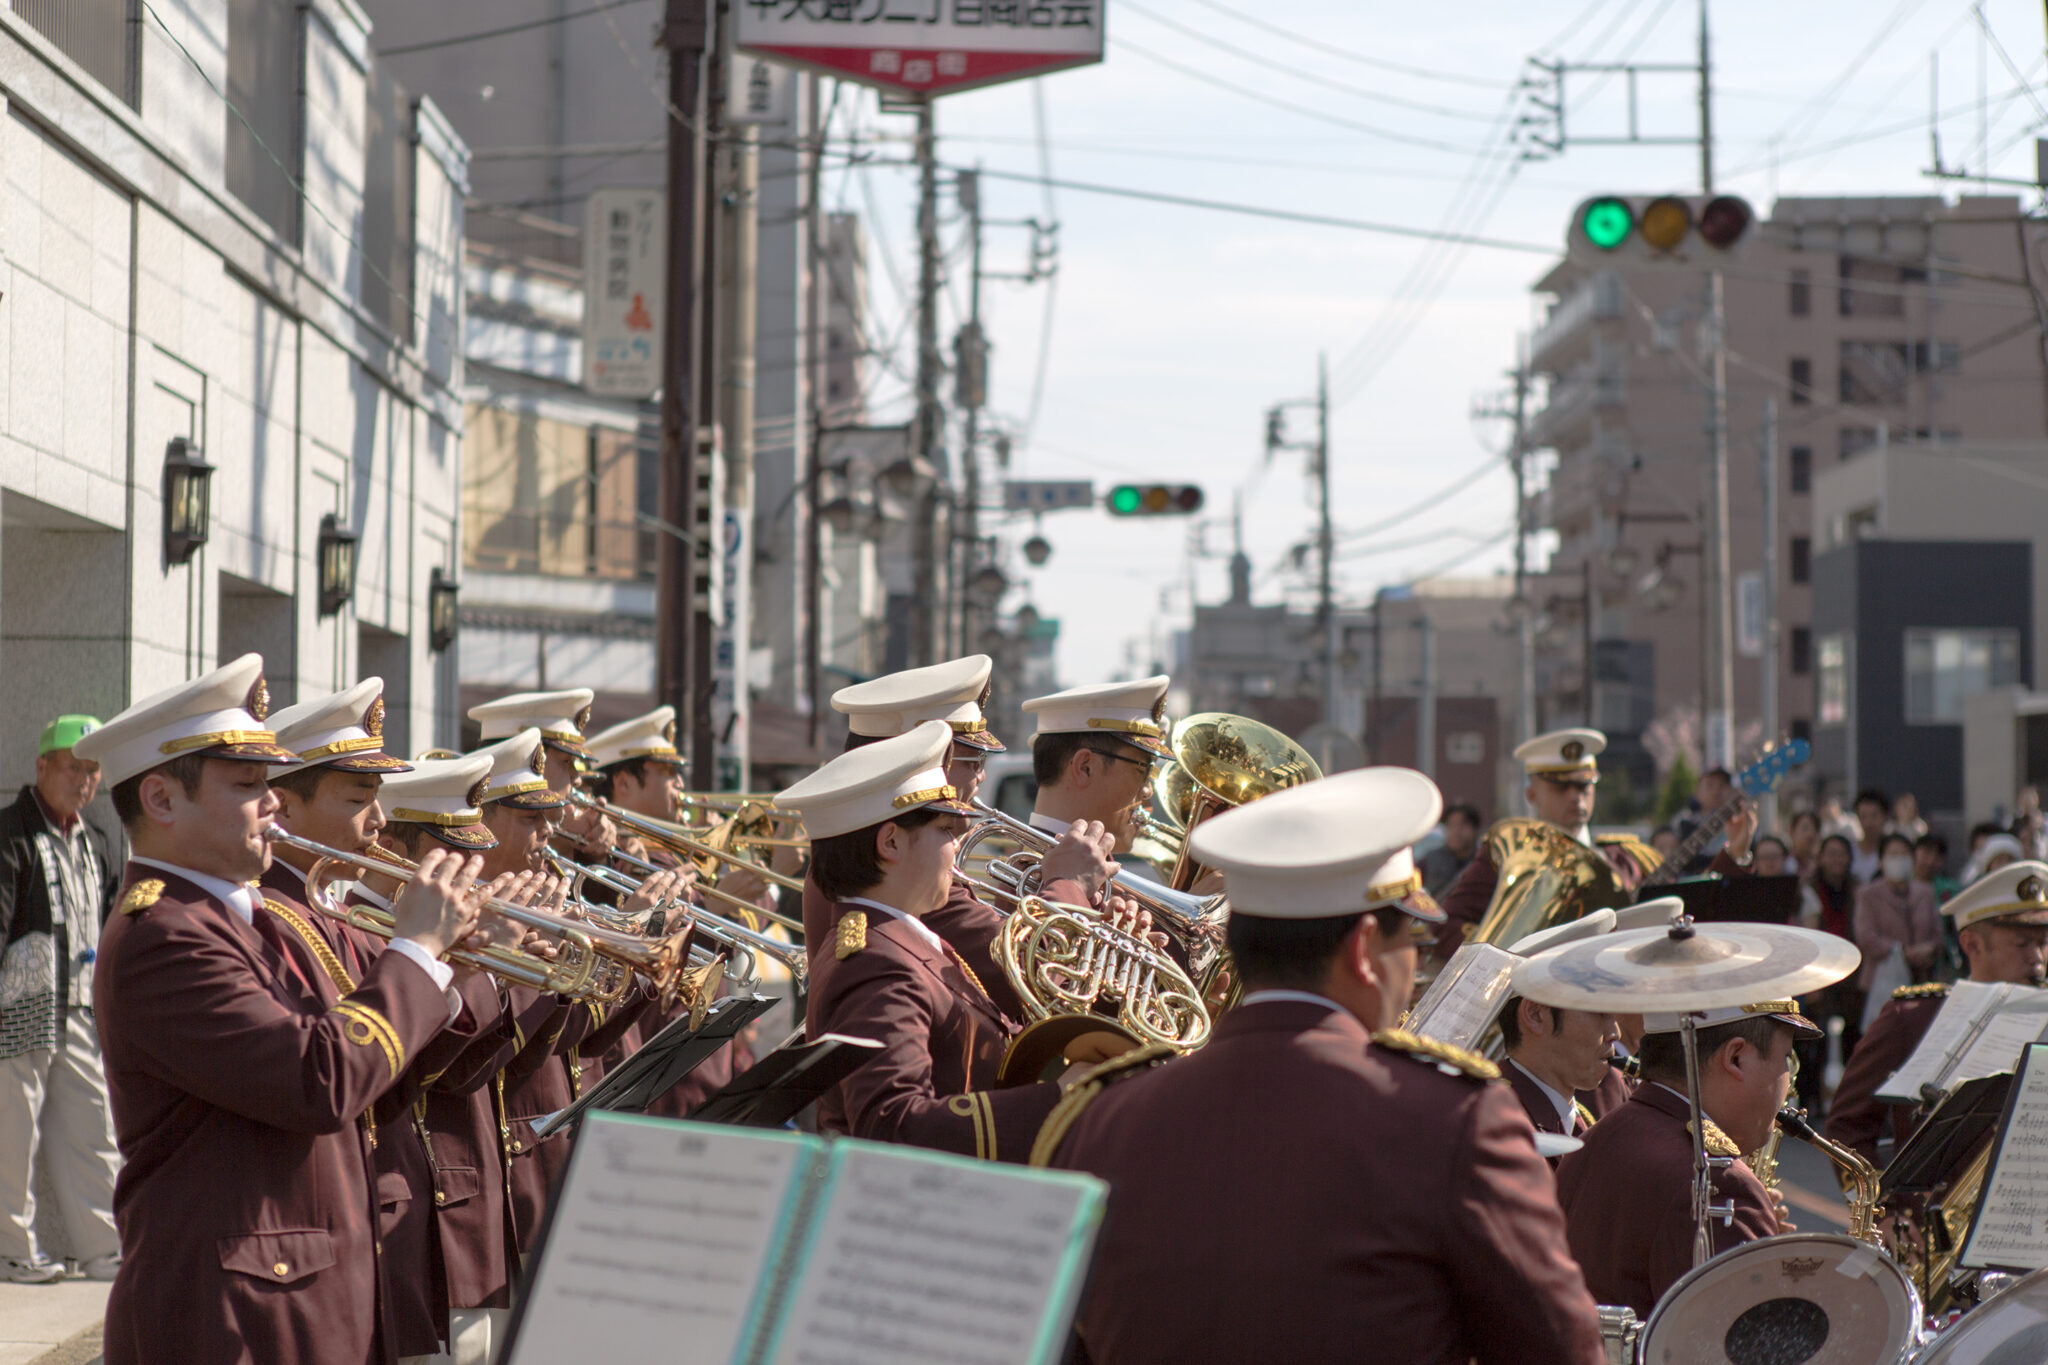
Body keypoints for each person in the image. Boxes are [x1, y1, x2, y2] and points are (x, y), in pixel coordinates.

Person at [1039, 767, 1605, 1365]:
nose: (1411, 971)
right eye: (1408, 939)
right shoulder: (1457, 1119)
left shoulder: (1109, 1116)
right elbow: (1564, 1350)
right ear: (1364, 949)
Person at [77, 654, 484, 1365]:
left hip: (293, 1306)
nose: (272, 802)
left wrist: (446, 963)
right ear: (162, 800)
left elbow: (366, 1076)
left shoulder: (234, 918)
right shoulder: (164, 935)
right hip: (232, 1320)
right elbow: (319, 1077)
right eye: (248, 784)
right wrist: (418, 950)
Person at [778, 721, 1083, 1158]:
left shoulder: (897, 938)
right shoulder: (876, 964)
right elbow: (895, 1124)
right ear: (891, 842)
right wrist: (1055, 1100)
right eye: (944, 831)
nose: (956, 845)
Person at [817, 657, 1114, 1026]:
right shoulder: (896, 878)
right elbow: (1028, 979)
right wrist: (1068, 886)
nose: (981, 778)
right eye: (972, 761)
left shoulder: (902, 868)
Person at [1556, 1001, 1812, 1316]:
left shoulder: (1600, 1134)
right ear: (1736, 1058)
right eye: (1785, 1058)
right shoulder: (1720, 1180)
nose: (1787, 1086)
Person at [1436, 728, 1751, 962]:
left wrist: (1734, 854)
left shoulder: (1632, 858)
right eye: (1561, 787)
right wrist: (1510, 950)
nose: (1576, 796)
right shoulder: (1505, 854)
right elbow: (1448, 923)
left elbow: (1688, 912)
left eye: (1584, 785)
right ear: (1531, 795)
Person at [0, 715, 120, 1284]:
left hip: (77, 1009)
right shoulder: (10, 833)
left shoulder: (95, 842)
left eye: (92, 769)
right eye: (72, 766)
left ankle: (105, 1251)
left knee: (93, 1130)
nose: (83, 780)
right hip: (15, 1009)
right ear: (42, 767)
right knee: (11, 1135)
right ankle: (12, 1251)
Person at [1826, 861, 2048, 1168]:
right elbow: (1846, 1125)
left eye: (2043, 943)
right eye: (2023, 944)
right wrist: (1884, 1210)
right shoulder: (1913, 1017)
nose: (2038, 959)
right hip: (1933, 1212)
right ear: (1972, 944)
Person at [1020, 676, 1173, 870]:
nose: (1147, 791)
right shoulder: (1039, 874)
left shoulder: (1078, 867)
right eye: (1143, 769)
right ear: (1085, 767)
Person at [1855, 832, 1940, 999]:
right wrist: (1901, 952)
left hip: (1922, 981)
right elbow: (1866, 936)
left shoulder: (1925, 892)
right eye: (1893, 855)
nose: (1899, 859)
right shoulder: (1868, 894)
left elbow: (1938, 934)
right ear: (1881, 861)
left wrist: (1929, 949)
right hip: (1881, 983)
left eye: (1904, 854)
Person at [1419, 801, 1482, 896]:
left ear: (1475, 829)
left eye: (1463, 825)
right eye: (1451, 825)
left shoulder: (1483, 862)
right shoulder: (1429, 861)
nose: (1456, 832)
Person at [1850, 787, 1891, 884]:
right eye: (1863, 816)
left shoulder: (1894, 851)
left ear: (1886, 817)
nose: (1868, 823)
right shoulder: (1850, 851)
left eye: (1874, 816)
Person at [1785, 809, 1822, 876]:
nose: (1810, 834)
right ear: (1791, 832)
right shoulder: (1783, 863)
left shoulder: (1823, 865)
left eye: (1815, 829)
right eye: (1805, 829)